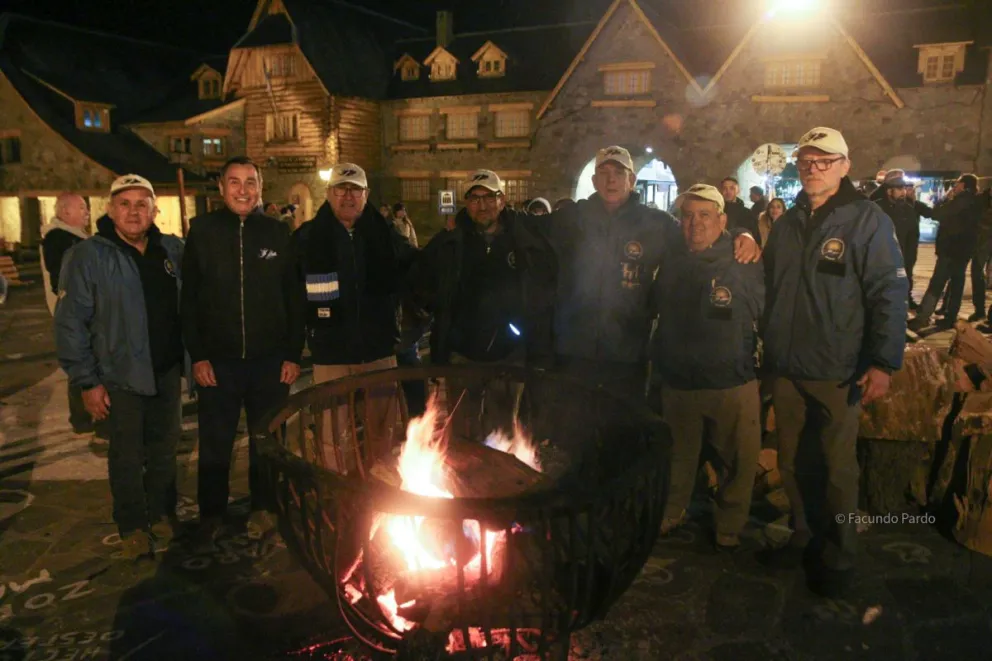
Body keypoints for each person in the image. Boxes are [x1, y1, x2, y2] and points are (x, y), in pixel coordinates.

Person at [760, 127, 907, 597]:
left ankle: (840, 554)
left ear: (845, 166)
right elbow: (768, 285)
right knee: (791, 462)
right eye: (805, 160)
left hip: (838, 369)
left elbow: (889, 290)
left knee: (837, 467)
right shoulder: (786, 223)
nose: (812, 168)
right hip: (786, 366)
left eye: (823, 160)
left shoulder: (866, 219)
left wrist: (883, 361)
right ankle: (803, 534)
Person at [529, 146, 760, 398]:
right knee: (574, 428)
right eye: (604, 173)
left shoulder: (655, 222)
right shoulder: (570, 218)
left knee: (623, 429)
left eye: (619, 172)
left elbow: (698, 234)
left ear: (632, 179)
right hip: (572, 349)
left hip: (627, 352)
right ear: (594, 181)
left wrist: (741, 234)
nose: (611, 179)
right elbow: (524, 230)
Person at [55, 174, 185, 559]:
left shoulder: (170, 250)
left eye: (141, 204)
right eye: (124, 204)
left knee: (164, 450)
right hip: (118, 376)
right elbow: (70, 323)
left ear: (154, 210)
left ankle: (162, 511)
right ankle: (132, 525)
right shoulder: (87, 255)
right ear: (110, 210)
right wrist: (86, 380)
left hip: (165, 371)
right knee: (126, 455)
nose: (133, 212)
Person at [181, 156, 305, 542]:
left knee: (266, 440)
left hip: (270, 362)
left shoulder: (277, 232)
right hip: (218, 361)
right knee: (215, 441)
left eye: (250, 182)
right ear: (221, 188)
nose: (242, 190)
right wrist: (198, 354)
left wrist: (292, 354)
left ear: (260, 187)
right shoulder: (202, 232)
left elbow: (294, 298)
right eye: (234, 182)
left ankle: (264, 506)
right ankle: (213, 513)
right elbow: (190, 301)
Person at [653, 184, 764, 550]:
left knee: (738, 459)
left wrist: (747, 236)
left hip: (730, 379)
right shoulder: (670, 259)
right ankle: (673, 510)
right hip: (679, 380)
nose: (695, 224)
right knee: (678, 457)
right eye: (687, 216)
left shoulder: (743, 259)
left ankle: (730, 524)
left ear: (722, 220)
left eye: (704, 215)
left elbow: (766, 311)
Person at [410, 170, 555, 438]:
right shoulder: (450, 242)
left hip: (509, 352)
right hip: (462, 353)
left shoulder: (522, 239)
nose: (483, 205)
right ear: (466, 203)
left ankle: (499, 480)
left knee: (503, 432)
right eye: (475, 198)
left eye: (489, 197)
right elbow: (422, 280)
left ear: (502, 200)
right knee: (463, 431)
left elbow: (543, 283)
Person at [294, 163, 414, 469]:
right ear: (329, 193)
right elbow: (291, 295)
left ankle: (380, 492)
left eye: (355, 189)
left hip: (378, 349)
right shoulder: (307, 238)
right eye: (341, 189)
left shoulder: (386, 236)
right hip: (331, 352)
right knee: (332, 435)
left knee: (382, 431)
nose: (348, 196)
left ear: (366, 194)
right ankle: (337, 494)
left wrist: (408, 332)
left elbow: (413, 281)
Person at [41, 193, 97, 438]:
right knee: (81, 360)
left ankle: (86, 416)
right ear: (65, 213)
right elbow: (63, 279)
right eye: (82, 208)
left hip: (77, 310)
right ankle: (84, 418)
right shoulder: (60, 239)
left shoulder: (72, 237)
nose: (87, 212)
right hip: (74, 312)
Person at [909, 174, 985, 331]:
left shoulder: (962, 201)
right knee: (957, 282)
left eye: (957, 184)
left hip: (952, 249)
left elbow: (937, 214)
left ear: (963, 185)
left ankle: (923, 316)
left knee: (937, 282)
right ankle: (950, 317)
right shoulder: (975, 201)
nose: (954, 187)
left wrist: (918, 202)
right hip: (964, 249)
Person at [873, 170, 919, 310]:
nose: (903, 192)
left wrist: (910, 258)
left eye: (904, 188)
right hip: (881, 257)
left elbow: (913, 235)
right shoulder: (877, 208)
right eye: (899, 189)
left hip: (903, 255)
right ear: (889, 191)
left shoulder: (908, 209)